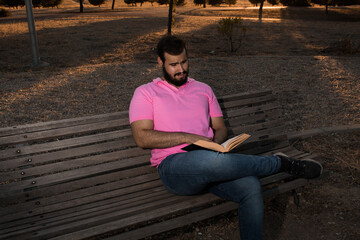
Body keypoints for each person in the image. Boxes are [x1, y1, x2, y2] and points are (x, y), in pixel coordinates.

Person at [129, 35, 323, 240]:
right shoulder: (145, 93)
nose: (181, 69)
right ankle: (280, 163)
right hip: (174, 168)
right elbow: (142, 138)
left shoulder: (204, 90)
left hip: (212, 162)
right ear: (160, 62)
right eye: (173, 64)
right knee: (209, 161)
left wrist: (215, 143)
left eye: (184, 62)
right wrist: (189, 137)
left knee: (250, 186)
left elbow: (220, 128)